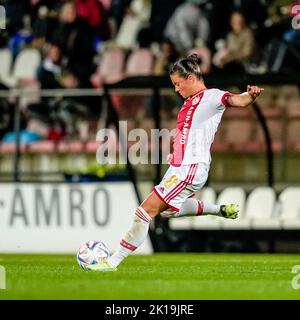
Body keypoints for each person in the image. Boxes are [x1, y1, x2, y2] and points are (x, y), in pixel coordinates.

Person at [88, 53, 264, 271]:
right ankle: (219, 209)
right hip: (180, 166)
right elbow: (187, 135)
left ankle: (112, 262)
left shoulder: (212, 97)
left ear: (191, 79)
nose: (176, 89)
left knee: (144, 212)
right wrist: (176, 154)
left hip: (191, 168)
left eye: (178, 84)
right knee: (169, 210)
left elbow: (237, 100)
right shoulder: (189, 104)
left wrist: (251, 95)